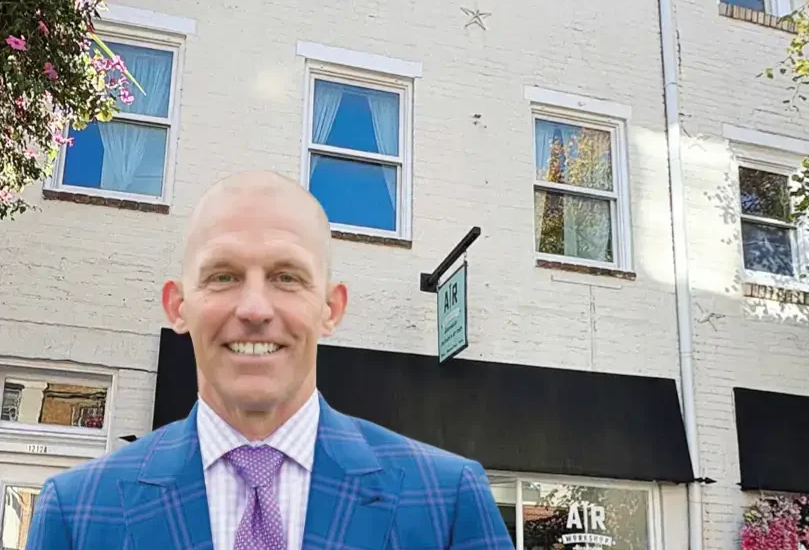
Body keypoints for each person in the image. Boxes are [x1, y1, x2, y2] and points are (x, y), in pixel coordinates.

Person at [25, 170, 514, 550]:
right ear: (178, 305)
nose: (255, 309)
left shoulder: (446, 501)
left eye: (286, 277)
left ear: (331, 308)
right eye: (222, 276)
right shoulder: (78, 512)